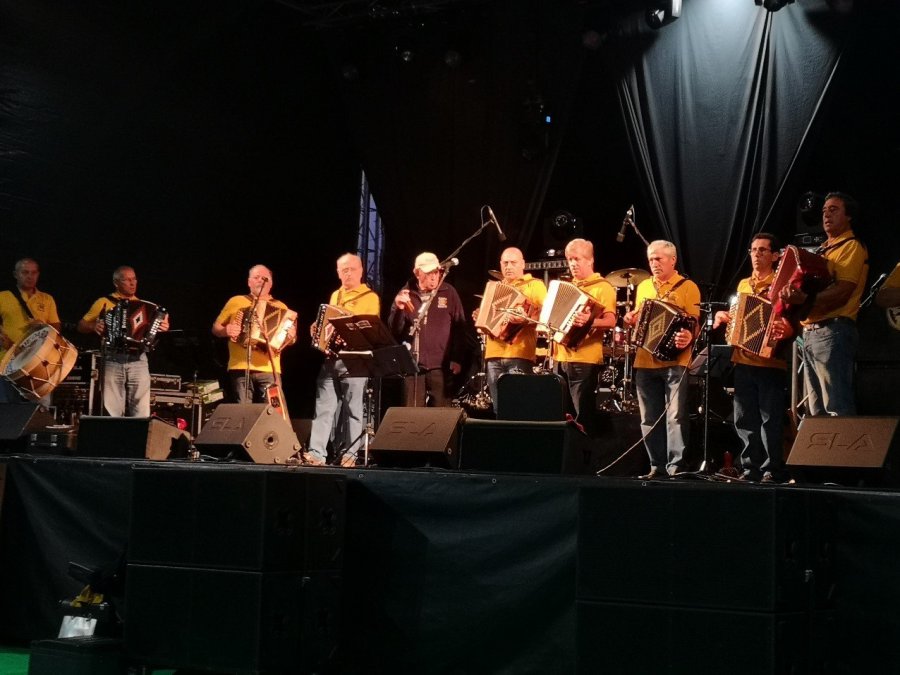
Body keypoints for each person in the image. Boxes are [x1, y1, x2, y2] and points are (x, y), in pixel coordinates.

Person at [779, 192, 868, 416]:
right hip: (810, 333)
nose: (826, 214)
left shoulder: (851, 247)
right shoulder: (823, 251)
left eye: (834, 209)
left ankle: (843, 452)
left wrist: (804, 299)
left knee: (836, 406)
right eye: (824, 210)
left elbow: (843, 291)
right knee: (815, 411)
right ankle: (820, 452)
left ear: (848, 216)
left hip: (834, 331)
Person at [713, 233, 792, 483]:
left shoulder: (781, 283)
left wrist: (785, 328)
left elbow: (792, 317)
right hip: (743, 360)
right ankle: (751, 468)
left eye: (762, 251)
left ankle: (772, 468)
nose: (756, 255)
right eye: (753, 250)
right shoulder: (744, 284)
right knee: (745, 418)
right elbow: (741, 316)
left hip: (771, 361)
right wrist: (728, 317)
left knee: (771, 418)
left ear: (775, 255)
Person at [623, 240, 700, 478]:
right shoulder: (644, 286)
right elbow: (644, 321)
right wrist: (632, 320)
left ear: (672, 260)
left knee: (675, 416)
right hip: (645, 360)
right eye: (651, 259)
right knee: (649, 417)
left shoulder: (688, 287)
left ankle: (676, 467)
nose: (654, 263)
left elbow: (694, 323)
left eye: (659, 259)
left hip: (676, 362)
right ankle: (656, 465)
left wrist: (689, 335)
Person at [306, 253, 380, 467]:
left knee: (354, 410)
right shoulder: (335, 295)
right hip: (331, 360)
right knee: (324, 408)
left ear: (361, 270)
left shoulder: (369, 297)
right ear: (338, 273)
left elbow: (367, 328)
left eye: (352, 269)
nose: (348, 273)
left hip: (355, 360)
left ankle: (350, 455)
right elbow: (328, 322)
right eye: (343, 270)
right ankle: (317, 454)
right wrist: (318, 329)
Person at [77, 265, 170, 417]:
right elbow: (81, 325)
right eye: (127, 280)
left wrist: (163, 324)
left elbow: (162, 319)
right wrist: (93, 325)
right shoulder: (104, 302)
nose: (132, 283)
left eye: (134, 279)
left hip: (138, 359)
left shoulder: (144, 306)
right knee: (112, 409)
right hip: (112, 357)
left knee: (141, 409)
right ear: (116, 283)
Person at [551, 239, 617, 435]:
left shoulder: (602, 287)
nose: (572, 264)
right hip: (560, 357)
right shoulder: (567, 286)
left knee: (583, 415)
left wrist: (589, 321)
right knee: (563, 415)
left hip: (584, 359)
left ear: (590, 260)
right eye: (570, 259)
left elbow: (611, 321)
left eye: (577, 259)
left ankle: (585, 457)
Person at [472, 247, 547, 413]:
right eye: (505, 263)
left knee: (519, 407)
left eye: (513, 262)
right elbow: (487, 317)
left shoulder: (535, 285)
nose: (508, 266)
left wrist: (525, 318)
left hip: (519, 354)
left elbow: (546, 315)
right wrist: (480, 315)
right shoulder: (494, 288)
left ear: (523, 264)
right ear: (500, 264)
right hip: (493, 354)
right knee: (499, 409)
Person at [388, 252, 467, 407]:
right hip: (413, 366)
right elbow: (395, 331)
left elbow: (460, 327)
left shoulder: (448, 292)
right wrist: (398, 309)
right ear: (417, 273)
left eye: (436, 272)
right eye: (428, 273)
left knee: (440, 417)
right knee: (412, 415)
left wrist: (457, 358)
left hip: (441, 367)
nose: (433, 277)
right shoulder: (406, 293)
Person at [212, 264, 297, 404]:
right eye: (256, 277)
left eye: (265, 278)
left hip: (269, 368)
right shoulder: (236, 301)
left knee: (272, 412)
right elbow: (216, 328)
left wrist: (291, 337)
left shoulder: (281, 307)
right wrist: (226, 330)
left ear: (271, 283)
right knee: (244, 413)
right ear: (249, 282)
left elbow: (290, 340)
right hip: (240, 367)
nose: (260, 281)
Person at [0, 258, 63, 405]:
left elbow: (57, 329)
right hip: (6, 361)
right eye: (25, 272)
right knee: (7, 411)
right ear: (16, 274)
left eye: (33, 273)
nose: (30, 276)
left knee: (38, 411)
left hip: (38, 363)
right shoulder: (3, 296)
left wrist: (43, 326)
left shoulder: (47, 299)